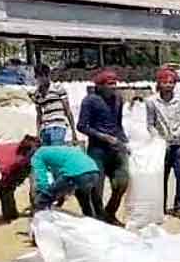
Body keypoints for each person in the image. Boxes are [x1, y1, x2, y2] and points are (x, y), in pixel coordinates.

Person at [77, 69, 129, 226]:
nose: (113, 87)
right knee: (96, 189)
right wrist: (102, 136)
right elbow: (82, 126)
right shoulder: (90, 101)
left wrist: (124, 141)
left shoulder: (118, 99)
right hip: (97, 150)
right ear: (99, 86)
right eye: (109, 84)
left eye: (115, 84)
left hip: (115, 149)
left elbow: (118, 124)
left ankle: (110, 212)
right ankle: (98, 218)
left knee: (122, 182)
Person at [146, 67, 180, 220]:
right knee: (162, 178)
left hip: (178, 145)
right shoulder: (151, 102)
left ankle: (179, 207)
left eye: (171, 82)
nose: (168, 85)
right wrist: (159, 139)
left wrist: (176, 134)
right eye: (165, 82)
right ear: (159, 83)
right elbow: (150, 124)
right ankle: (162, 207)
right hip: (161, 147)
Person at [30, 145, 100, 217]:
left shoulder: (38, 155)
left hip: (77, 173)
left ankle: (40, 220)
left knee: (43, 198)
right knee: (85, 202)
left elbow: (42, 179)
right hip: (94, 171)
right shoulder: (56, 150)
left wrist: (44, 194)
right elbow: (60, 180)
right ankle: (92, 219)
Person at [0, 136, 40, 221]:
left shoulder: (22, 151)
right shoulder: (15, 160)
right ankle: (10, 215)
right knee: (5, 189)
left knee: (6, 188)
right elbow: (3, 173)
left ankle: (11, 214)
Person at [33, 64, 78, 146]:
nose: (42, 79)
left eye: (44, 76)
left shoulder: (58, 88)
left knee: (55, 149)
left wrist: (73, 131)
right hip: (44, 128)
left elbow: (67, 110)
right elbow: (39, 115)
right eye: (39, 76)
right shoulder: (37, 94)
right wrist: (38, 132)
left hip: (58, 126)